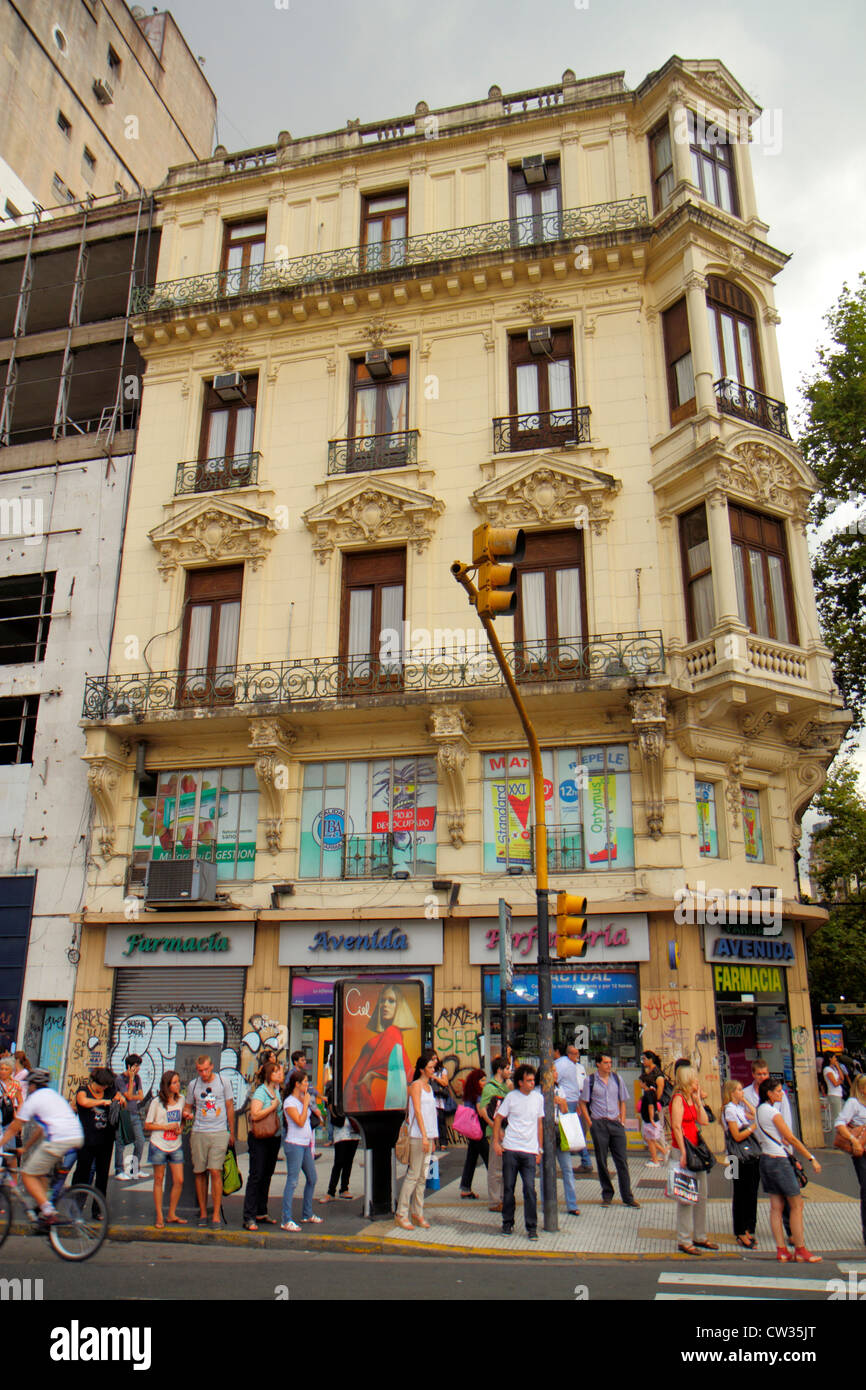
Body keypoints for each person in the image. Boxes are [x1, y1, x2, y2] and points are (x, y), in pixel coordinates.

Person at [0, 1068, 83, 1224]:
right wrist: (25, 1148)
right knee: (41, 1172)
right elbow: (40, 1128)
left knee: (27, 1174)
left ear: (33, 1085)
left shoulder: (34, 1099)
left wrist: (1, 1144)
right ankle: (45, 1204)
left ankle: (48, 1212)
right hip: (75, 1137)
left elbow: (15, 1126)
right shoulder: (53, 1096)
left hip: (58, 1140)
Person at [754, 1076, 822, 1262]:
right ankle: (800, 1249)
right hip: (779, 1161)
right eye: (778, 1091)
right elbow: (790, 1138)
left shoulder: (760, 1110)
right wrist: (811, 1158)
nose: (781, 1093)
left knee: (776, 1206)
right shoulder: (773, 1113)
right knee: (796, 1204)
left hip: (766, 1160)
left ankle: (781, 1250)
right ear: (769, 1093)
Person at [744, 1058, 795, 1245]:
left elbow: (786, 1119)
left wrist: (789, 1146)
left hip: (777, 1147)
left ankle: (790, 1230)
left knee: (785, 1191)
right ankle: (749, 1227)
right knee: (751, 1189)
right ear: (753, 1075)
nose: (763, 1077)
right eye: (759, 1074)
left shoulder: (778, 1093)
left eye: (765, 1073)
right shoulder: (745, 1094)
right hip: (755, 1146)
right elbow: (744, 1118)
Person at [668, 1065, 717, 1255]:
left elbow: (704, 1121)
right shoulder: (678, 1099)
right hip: (684, 1150)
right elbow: (676, 1127)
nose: (698, 1081)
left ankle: (700, 1235)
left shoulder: (690, 1099)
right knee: (686, 1196)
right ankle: (684, 1239)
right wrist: (682, 1152)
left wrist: (697, 1100)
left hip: (696, 1150)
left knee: (701, 1195)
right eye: (695, 1078)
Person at [580, 1054, 640, 1209]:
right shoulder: (590, 1081)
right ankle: (607, 1194)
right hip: (599, 1123)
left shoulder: (617, 1079)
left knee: (622, 1161)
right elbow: (583, 1102)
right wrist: (590, 1122)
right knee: (601, 1160)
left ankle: (627, 1196)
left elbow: (623, 1100)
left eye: (610, 1062)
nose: (608, 1065)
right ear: (598, 1064)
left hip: (615, 1122)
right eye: (605, 1062)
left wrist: (623, 1120)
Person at [341, 985, 414, 1112]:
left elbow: (402, 1068)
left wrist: (371, 1074)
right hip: (357, 1095)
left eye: (391, 1001)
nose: (385, 1005)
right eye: (382, 1000)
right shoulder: (388, 1033)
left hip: (360, 1095)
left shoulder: (393, 1032)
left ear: (399, 1006)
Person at [183, 1054, 235, 1229]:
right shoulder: (194, 1085)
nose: (203, 1074)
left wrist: (232, 1132)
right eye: (200, 1070)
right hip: (199, 1131)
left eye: (206, 1069)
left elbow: (229, 1106)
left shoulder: (223, 1082)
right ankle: (203, 1212)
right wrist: (185, 1115)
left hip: (219, 1131)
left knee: (215, 1170)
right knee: (199, 1171)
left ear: (212, 1066)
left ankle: (215, 1215)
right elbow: (188, 1106)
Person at [494, 1063, 544, 1240]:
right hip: (511, 1148)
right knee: (508, 1187)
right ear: (520, 1082)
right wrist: (496, 1142)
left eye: (533, 1080)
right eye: (528, 1080)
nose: (532, 1083)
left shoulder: (538, 1098)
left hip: (530, 1150)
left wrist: (540, 1149)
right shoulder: (512, 1098)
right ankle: (507, 1222)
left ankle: (532, 1226)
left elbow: (539, 1124)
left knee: (530, 1189)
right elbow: (498, 1118)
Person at [395, 1051, 438, 1231]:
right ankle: (401, 1212)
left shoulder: (429, 1087)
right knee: (414, 1175)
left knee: (422, 1177)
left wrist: (433, 1137)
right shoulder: (416, 1086)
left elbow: (431, 1114)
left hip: (428, 1135)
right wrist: (424, 1135)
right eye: (429, 1067)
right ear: (422, 1069)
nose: (433, 1069)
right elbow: (418, 1111)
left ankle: (417, 1211)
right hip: (417, 1136)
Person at [243, 1060, 284, 1230]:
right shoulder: (261, 1092)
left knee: (267, 1174)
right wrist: (272, 1107)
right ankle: (249, 1216)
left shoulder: (277, 1091)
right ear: (269, 1075)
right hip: (260, 1138)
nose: (280, 1074)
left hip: (274, 1137)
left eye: (280, 1071)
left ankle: (261, 1211)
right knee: (256, 1175)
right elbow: (255, 1114)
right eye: (276, 1072)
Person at [144, 1070, 186, 1228]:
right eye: (174, 1082)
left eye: (178, 1082)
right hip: (159, 1143)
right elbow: (147, 1125)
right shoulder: (157, 1102)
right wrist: (165, 1127)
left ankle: (172, 1213)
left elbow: (181, 1120)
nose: (178, 1085)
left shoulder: (181, 1100)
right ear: (167, 1085)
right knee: (159, 1179)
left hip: (176, 1143)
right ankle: (160, 1215)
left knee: (179, 1180)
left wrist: (181, 1127)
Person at [72, 1068, 121, 1202]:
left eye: (106, 1086)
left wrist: (119, 1100)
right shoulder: (84, 1090)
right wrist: (102, 1101)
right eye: (102, 1085)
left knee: (102, 1176)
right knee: (82, 1172)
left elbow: (123, 1101)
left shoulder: (110, 1091)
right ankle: (76, 1204)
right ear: (96, 1082)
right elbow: (83, 1102)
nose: (104, 1088)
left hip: (105, 1141)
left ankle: (98, 1208)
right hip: (87, 1140)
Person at [722, 1078, 760, 1249]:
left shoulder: (738, 1108)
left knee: (751, 1191)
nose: (741, 1092)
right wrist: (752, 1129)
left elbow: (755, 1114)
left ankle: (748, 1229)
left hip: (748, 1154)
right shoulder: (729, 1110)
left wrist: (744, 1101)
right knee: (741, 1192)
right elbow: (736, 1135)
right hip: (736, 1156)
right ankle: (740, 1230)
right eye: (738, 1090)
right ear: (731, 1093)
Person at [281, 1068, 321, 1231]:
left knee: (312, 1178)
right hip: (294, 1144)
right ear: (297, 1084)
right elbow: (299, 1120)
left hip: (305, 1143)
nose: (307, 1085)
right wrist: (305, 1105)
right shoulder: (290, 1102)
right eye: (305, 1082)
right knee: (293, 1180)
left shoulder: (304, 1098)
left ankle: (307, 1213)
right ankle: (286, 1218)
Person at [540, 1072, 580, 1217]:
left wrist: (562, 1102)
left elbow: (565, 1111)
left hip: (560, 1129)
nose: (556, 1074)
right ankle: (546, 1203)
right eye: (553, 1071)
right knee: (546, 1169)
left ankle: (572, 1204)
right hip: (545, 1131)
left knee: (567, 1168)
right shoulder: (539, 1090)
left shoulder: (560, 1089)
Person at [835, 1073, 866, 1246]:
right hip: (861, 1150)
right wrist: (853, 1140)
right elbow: (839, 1123)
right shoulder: (854, 1103)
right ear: (862, 1089)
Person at [554, 1042, 593, 1174]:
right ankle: (584, 1159)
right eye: (575, 1053)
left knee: (568, 1130)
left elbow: (555, 1080)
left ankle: (585, 1160)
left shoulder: (566, 1064)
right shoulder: (566, 1065)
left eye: (578, 1053)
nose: (577, 1055)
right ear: (568, 1054)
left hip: (566, 1100)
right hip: (569, 1100)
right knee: (571, 1130)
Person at [319, 1079, 360, 1203]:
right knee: (339, 1161)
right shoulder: (334, 1087)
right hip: (341, 1128)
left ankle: (344, 1188)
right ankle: (331, 1191)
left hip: (354, 1128)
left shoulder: (357, 1087)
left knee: (349, 1161)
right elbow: (332, 1109)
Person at [478, 1055, 510, 1211]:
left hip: (507, 1130)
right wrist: (495, 1128)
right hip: (495, 1131)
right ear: (500, 1070)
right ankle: (494, 1200)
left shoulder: (507, 1086)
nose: (509, 1072)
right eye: (507, 1069)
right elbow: (483, 1110)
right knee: (495, 1167)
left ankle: (503, 1197)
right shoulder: (490, 1087)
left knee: (505, 1166)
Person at [114, 1053, 147, 1181]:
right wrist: (131, 1079)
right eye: (136, 1066)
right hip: (123, 1114)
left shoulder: (138, 1078)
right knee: (120, 1142)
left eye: (138, 1066)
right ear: (129, 1066)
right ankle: (119, 1170)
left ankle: (134, 1169)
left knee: (140, 1141)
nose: (138, 1069)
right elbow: (128, 1096)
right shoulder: (119, 1079)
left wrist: (132, 1095)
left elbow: (140, 1096)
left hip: (134, 1113)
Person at [458, 1067, 489, 1198]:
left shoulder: (469, 1094)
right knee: (489, 1159)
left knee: (471, 1158)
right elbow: (481, 1112)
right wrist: (492, 1121)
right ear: (476, 1082)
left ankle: (465, 1188)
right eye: (482, 1080)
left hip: (471, 1130)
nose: (484, 1082)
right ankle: (498, 1188)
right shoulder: (478, 1095)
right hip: (478, 1130)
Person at [824, 1053, 847, 1127]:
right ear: (830, 1059)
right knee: (838, 1117)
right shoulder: (827, 1069)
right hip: (833, 1094)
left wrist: (837, 1067)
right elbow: (835, 1083)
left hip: (838, 1094)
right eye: (834, 1058)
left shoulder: (834, 1069)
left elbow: (842, 1077)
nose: (836, 1060)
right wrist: (840, 1081)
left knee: (840, 1115)